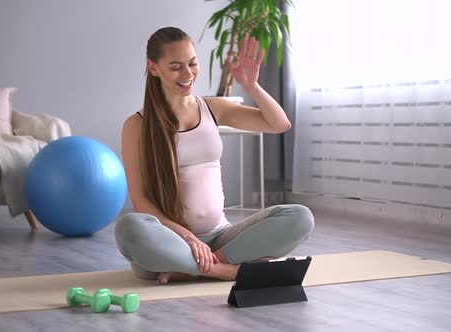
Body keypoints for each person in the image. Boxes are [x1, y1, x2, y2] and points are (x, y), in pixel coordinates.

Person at [114, 26, 314, 285]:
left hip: (222, 237)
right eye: (176, 67)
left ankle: (198, 269)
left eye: (192, 64)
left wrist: (251, 85)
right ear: (154, 68)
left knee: (300, 217)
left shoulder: (212, 108)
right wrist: (189, 238)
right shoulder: (137, 125)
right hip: (171, 241)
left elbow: (279, 124)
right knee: (129, 227)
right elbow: (142, 202)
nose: (187, 74)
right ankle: (226, 270)